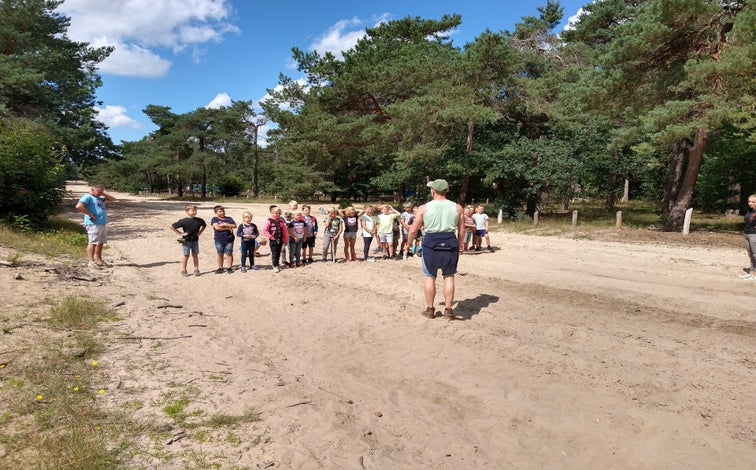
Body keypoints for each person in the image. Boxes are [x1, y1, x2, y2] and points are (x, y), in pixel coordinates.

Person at [406, 179, 465, 320]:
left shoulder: (424, 208)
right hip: (450, 242)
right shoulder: (457, 207)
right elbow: (462, 230)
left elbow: (413, 230)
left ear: (433, 191)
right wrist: (460, 244)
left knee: (430, 277)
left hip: (431, 242)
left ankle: (430, 309)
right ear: (446, 191)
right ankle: (448, 310)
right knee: (449, 277)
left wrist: (408, 244)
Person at [75, 184, 117, 269]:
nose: (100, 193)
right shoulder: (87, 197)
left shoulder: (99, 198)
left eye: (102, 192)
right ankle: (91, 261)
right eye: (99, 192)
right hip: (93, 223)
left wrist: (102, 194)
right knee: (93, 242)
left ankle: (99, 260)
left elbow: (113, 199)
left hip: (102, 223)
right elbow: (79, 206)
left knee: (100, 243)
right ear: (92, 190)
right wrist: (89, 214)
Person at [170, 204, 206, 277]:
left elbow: (204, 225)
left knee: (195, 255)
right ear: (187, 211)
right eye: (192, 211)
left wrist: (200, 232)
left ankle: (196, 269)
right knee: (186, 255)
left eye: (195, 210)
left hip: (195, 241)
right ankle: (184, 270)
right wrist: (180, 233)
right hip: (186, 241)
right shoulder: (183, 221)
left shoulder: (199, 220)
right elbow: (172, 226)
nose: (194, 212)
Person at [211, 205, 237, 274]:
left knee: (229, 253)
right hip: (219, 239)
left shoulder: (229, 218)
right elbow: (217, 227)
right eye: (220, 211)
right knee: (220, 254)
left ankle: (229, 267)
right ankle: (220, 268)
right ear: (216, 212)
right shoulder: (214, 219)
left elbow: (234, 226)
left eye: (223, 211)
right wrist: (228, 227)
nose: (222, 213)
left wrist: (224, 224)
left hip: (229, 239)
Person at [263, 205, 289, 273]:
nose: (278, 215)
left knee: (278, 253)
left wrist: (286, 239)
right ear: (272, 213)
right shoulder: (269, 221)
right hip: (273, 240)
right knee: (274, 253)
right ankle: (274, 265)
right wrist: (270, 237)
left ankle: (277, 263)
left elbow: (284, 231)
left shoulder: (281, 221)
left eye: (279, 213)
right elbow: (265, 230)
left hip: (280, 239)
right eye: (276, 213)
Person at [741, 194, 756, 280]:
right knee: (750, 254)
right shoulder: (749, 210)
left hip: (754, 234)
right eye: (749, 201)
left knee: (755, 254)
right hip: (747, 234)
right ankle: (752, 272)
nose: (750, 203)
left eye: (753, 202)